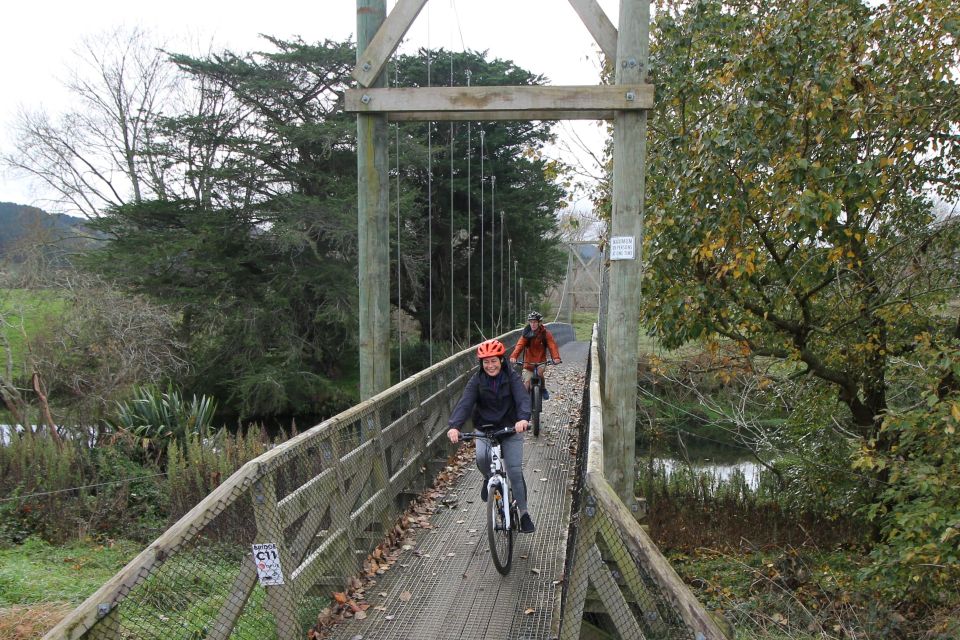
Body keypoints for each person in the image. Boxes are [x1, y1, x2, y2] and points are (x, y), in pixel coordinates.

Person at [447, 339, 536, 533]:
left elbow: (522, 398)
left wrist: (522, 419)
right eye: (486, 362)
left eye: (494, 361)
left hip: (511, 428)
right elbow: (465, 402)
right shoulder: (476, 380)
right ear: (481, 363)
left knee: (513, 471)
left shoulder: (511, 377)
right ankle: (488, 477)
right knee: (481, 458)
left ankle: (524, 514)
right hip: (485, 429)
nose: (490, 366)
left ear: (501, 360)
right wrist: (455, 426)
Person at [509, 311, 562, 398]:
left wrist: (556, 357)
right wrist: (513, 356)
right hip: (528, 363)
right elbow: (520, 345)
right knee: (526, 384)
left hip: (541, 361)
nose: (532, 324)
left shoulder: (546, 334)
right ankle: (526, 405)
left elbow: (552, 346)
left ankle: (543, 388)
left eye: (535, 322)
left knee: (540, 373)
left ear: (539, 323)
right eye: (531, 322)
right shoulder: (526, 334)